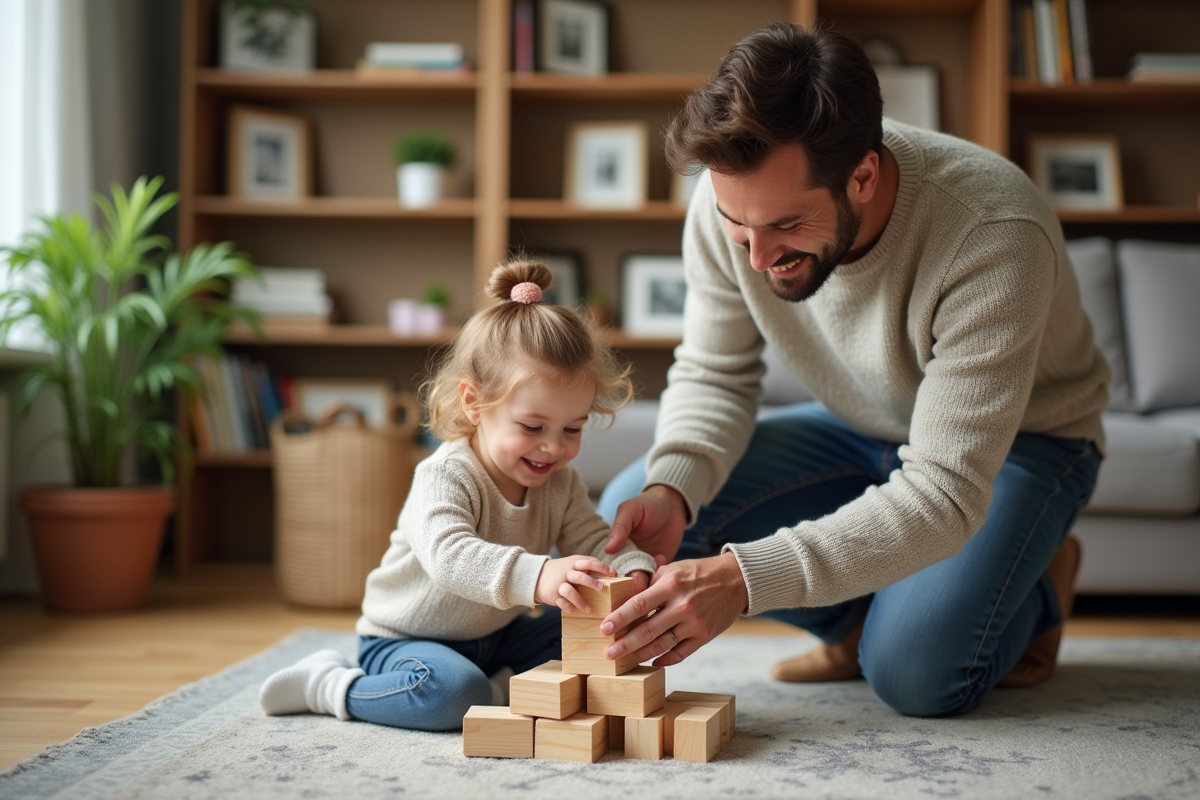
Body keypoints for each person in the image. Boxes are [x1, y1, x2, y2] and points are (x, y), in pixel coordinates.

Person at [594, 23, 1108, 718]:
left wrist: (744, 580)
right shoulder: (734, 204)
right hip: (866, 423)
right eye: (738, 227)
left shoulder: (992, 233)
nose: (756, 257)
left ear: (862, 175)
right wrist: (672, 487)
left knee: (917, 676)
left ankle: (1037, 585)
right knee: (633, 513)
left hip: (1019, 443)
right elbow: (716, 373)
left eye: (784, 226)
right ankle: (857, 621)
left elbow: (943, 491)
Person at [259, 258, 657, 730]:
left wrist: (634, 572)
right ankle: (329, 685)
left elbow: (592, 539)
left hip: (498, 635)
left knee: (602, 640)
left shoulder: (560, 483)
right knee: (450, 694)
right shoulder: (445, 474)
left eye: (573, 427)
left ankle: (496, 685)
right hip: (408, 639)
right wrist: (539, 575)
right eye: (533, 427)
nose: (555, 446)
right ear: (475, 403)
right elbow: (450, 557)